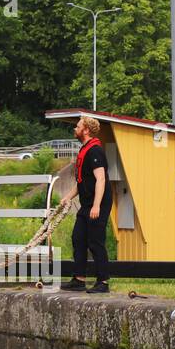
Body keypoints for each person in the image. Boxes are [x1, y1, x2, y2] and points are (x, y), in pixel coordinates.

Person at [61, 115, 112, 293]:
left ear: (86, 130)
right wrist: (68, 196)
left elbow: (101, 179)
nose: (75, 129)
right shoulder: (84, 150)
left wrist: (97, 206)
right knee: (78, 238)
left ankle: (103, 282)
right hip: (87, 204)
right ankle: (79, 279)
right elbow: (82, 181)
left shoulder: (95, 151)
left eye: (78, 126)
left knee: (95, 241)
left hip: (98, 203)